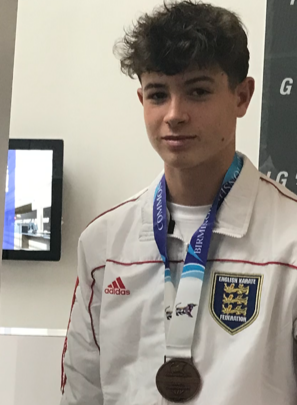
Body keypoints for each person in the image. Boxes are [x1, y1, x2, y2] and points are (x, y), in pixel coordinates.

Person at [60, 1, 297, 404]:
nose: (174, 114)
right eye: (158, 94)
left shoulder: (290, 242)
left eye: (197, 92)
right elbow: (83, 394)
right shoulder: (104, 244)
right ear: (142, 100)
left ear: (242, 96)